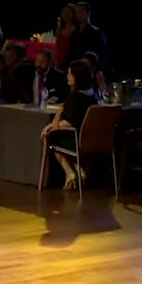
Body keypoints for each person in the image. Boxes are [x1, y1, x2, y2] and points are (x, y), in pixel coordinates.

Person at [41, 60, 99, 190]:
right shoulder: (92, 96)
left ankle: (69, 172)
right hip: (91, 139)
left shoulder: (76, 97)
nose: (67, 77)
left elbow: (69, 123)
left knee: (51, 137)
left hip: (77, 139)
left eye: (70, 74)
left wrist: (53, 125)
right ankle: (79, 169)